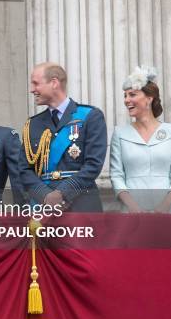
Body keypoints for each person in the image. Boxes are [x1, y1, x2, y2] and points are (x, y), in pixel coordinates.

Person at [19, 62, 107, 212]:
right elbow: (24, 169)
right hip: (43, 206)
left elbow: (93, 165)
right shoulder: (32, 124)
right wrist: (46, 196)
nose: (32, 90)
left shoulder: (90, 116)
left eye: (36, 83)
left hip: (81, 205)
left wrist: (62, 194)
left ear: (54, 83)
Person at [110, 66, 171, 213]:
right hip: (131, 213)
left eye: (132, 95)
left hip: (167, 211)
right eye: (125, 96)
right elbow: (116, 176)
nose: (127, 100)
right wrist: (134, 208)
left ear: (149, 99)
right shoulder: (120, 133)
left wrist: (164, 207)